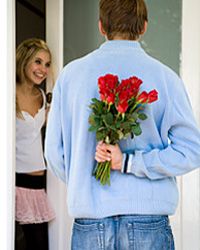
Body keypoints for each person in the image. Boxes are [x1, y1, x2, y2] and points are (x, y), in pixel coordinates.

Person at [45, 0, 200, 249]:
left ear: (101, 27)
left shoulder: (71, 76)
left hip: (90, 223)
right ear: (144, 27)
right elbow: (191, 151)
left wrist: (86, 180)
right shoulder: (166, 78)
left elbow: (54, 153)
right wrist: (136, 163)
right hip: (148, 221)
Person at [15, 38, 55, 250]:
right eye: (38, 62)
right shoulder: (7, 93)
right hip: (13, 182)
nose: (43, 69)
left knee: (38, 245)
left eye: (47, 64)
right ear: (24, 60)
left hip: (37, 185)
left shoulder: (41, 95)